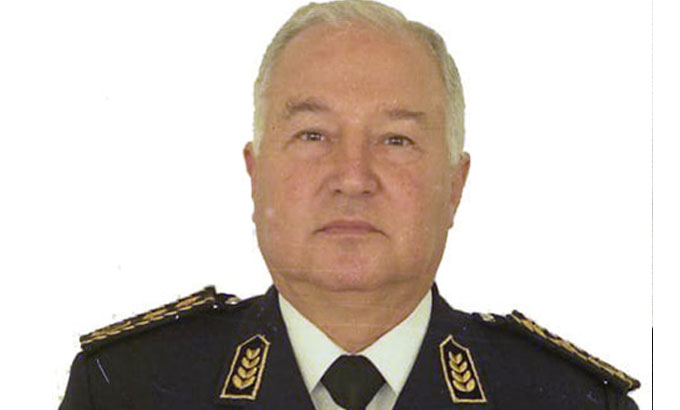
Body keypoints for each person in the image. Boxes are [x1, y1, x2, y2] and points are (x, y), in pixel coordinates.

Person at [58, 1, 640, 409]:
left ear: (455, 186)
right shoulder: (125, 391)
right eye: (313, 135)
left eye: (396, 140)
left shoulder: (572, 401)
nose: (353, 178)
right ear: (256, 176)